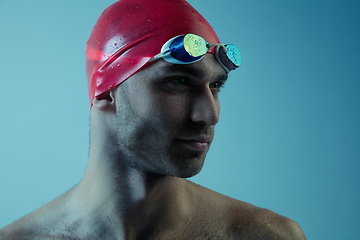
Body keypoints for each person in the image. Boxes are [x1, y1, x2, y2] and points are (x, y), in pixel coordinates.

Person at [0, 0, 307, 239]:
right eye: (179, 82)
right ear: (107, 92)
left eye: (216, 86)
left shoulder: (265, 236)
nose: (210, 114)